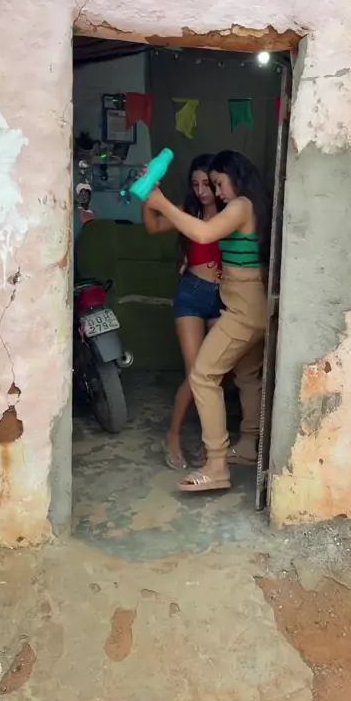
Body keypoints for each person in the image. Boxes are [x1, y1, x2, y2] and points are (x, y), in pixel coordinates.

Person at [144, 150, 271, 492]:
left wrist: (161, 202)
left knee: (202, 376)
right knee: (247, 377)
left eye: (218, 183)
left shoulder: (240, 205)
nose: (216, 192)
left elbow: (203, 234)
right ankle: (248, 445)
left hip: (243, 310)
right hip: (253, 304)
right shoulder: (253, 206)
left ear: (235, 176)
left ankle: (216, 465)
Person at [142, 154, 223, 470]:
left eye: (207, 184)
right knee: (195, 374)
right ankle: (173, 435)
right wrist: (149, 194)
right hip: (191, 293)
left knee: (213, 375)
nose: (201, 191)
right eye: (195, 184)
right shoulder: (187, 212)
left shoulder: (231, 212)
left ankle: (208, 440)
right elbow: (152, 227)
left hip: (223, 296)